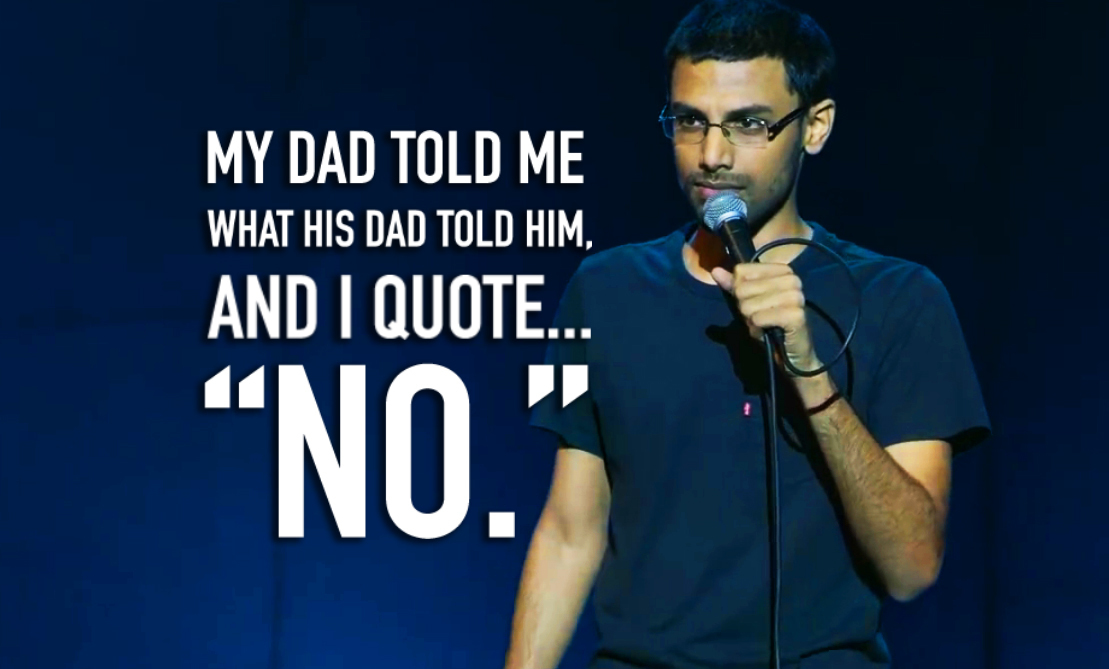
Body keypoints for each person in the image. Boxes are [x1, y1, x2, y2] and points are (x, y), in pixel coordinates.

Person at [503, 1, 992, 667]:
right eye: (689, 121)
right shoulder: (604, 289)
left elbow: (912, 567)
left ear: (815, 126)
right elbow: (569, 530)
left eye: (749, 124)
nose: (711, 155)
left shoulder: (899, 300)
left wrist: (807, 371)